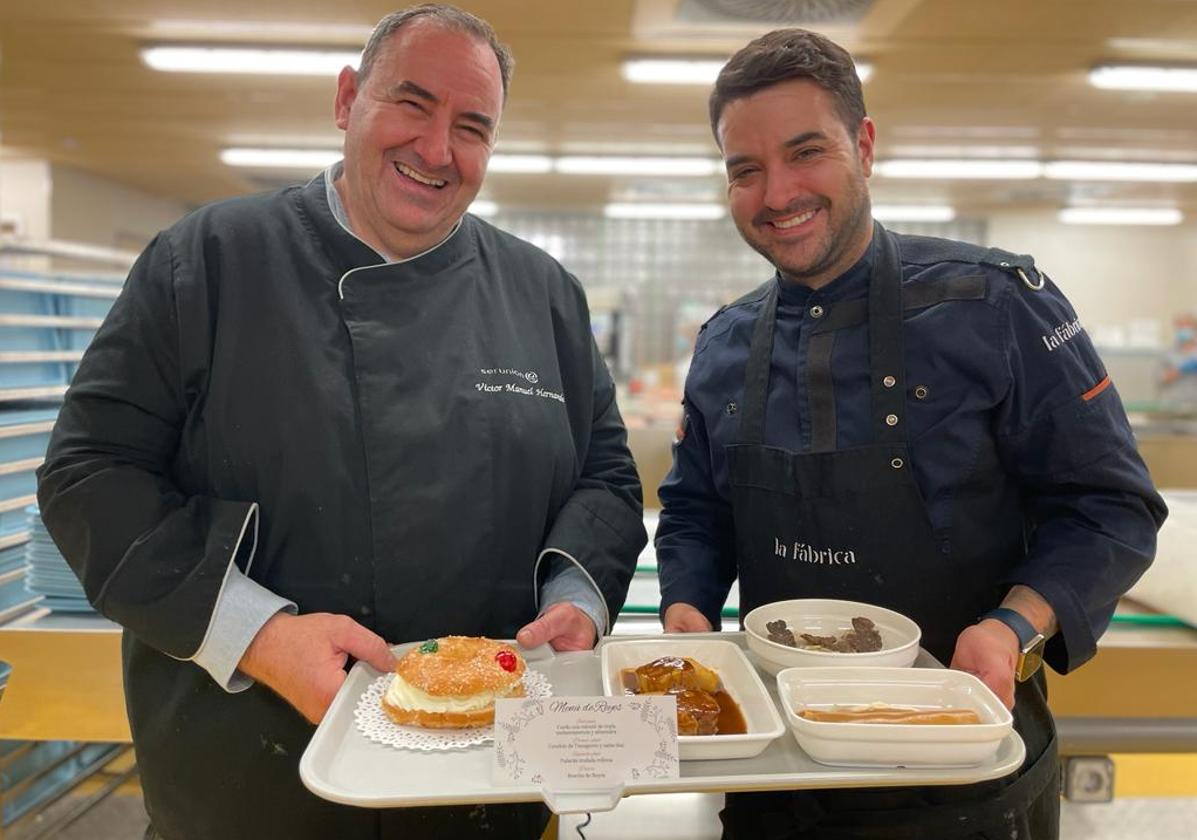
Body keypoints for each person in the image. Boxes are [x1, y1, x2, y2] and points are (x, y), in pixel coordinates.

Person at [36, 5, 645, 839]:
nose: (437, 150)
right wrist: (256, 636)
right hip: (248, 776)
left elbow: (605, 475)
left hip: (482, 780)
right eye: (411, 104)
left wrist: (578, 594)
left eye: (472, 126)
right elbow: (87, 474)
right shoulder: (207, 261)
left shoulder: (543, 294)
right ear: (347, 99)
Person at [656, 28, 1166, 840]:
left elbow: (1109, 509)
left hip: (965, 769)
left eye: (804, 152)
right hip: (777, 778)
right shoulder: (723, 343)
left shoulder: (998, 305)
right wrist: (686, 609)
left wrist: (1010, 628)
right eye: (744, 169)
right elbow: (693, 513)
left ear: (863, 145)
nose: (775, 191)